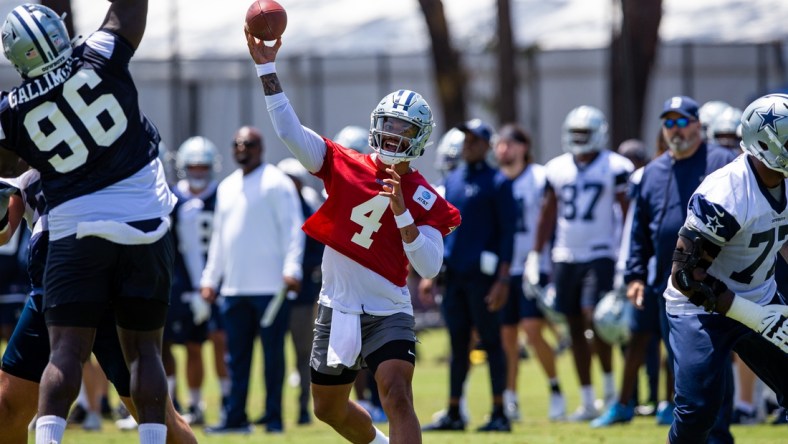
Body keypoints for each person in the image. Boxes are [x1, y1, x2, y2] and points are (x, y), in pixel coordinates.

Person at [247, 32, 462, 444]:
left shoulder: (424, 196)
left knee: (398, 395)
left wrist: (402, 212)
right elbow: (290, 132)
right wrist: (266, 68)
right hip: (337, 304)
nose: (394, 133)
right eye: (389, 124)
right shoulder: (344, 163)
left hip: (388, 307)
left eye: (404, 127)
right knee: (327, 408)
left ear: (419, 137)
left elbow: (430, 265)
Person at [0, 2, 177, 443]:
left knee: (66, 352)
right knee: (147, 354)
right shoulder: (99, 55)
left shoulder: (11, 112)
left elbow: (11, 160)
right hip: (143, 221)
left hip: (75, 231)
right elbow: (128, 11)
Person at [0, 169, 196, 444]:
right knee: (5, 409)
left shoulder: (106, 143)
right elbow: (5, 233)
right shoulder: (19, 151)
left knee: (160, 419)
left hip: (112, 281)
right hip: (52, 282)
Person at [591, 95, 738, 428]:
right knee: (681, 361)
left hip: (717, 278)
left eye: (682, 121)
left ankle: (720, 429)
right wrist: (635, 276)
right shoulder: (653, 172)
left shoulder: (722, 161)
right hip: (668, 283)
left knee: (716, 360)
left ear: (698, 125)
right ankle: (689, 425)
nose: (675, 129)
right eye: (669, 122)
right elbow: (641, 232)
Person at [662, 92, 788, 442]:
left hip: (761, 297)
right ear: (765, 141)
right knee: (699, 412)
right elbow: (686, 277)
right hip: (699, 309)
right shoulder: (726, 192)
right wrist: (755, 317)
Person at [526, 105, 634, 421]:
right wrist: (536, 254)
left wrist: (626, 258)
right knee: (573, 326)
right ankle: (588, 399)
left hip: (601, 254)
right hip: (565, 255)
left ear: (599, 134)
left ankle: (611, 390)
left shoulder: (616, 166)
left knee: (596, 321)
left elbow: (628, 214)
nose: (579, 139)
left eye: (584, 134)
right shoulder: (556, 168)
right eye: (575, 134)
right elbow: (548, 214)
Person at [200, 125, 304, 434]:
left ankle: (273, 419)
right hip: (234, 289)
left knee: (272, 358)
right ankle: (236, 419)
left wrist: (292, 269)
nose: (241, 149)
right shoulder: (226, 187)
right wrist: (210, 278)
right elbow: (219, 238)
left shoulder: (277, 183)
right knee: (237, 360)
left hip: (271, 289)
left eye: (249, 144)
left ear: (261, 148)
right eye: (237, 144)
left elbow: (294, 228)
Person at [420, 118, 516, 432]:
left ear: (487, 145)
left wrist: (503, 280)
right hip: (454, 276)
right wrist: (430, 274)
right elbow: (442, 230)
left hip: (484, 279)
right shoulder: (454, 179)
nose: (468, 145)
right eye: (465, 139)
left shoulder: (498, 182)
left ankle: (500, 412)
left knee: (491, 343)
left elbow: (507, 234)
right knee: (457, 344)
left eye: (474, 140)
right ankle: (454, 412)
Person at [492, 123, 566, 422]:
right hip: (505, 269)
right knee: (506, 338)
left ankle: (555, 388)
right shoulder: (495, 180)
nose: (503, 149)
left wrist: (543, 257)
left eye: (509, 143)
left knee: (533, 331)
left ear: (523, 147)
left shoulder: (539, 178)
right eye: (499, 143)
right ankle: (510, 398)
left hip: (536, 266)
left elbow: (552, 217)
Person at [162, 136, 228, 426]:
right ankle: (182, 404)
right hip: (183, 286)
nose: (199, 172)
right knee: (185, 345)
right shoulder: (174, 199)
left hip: (219, 285)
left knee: (220, 343)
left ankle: (224, 402)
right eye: (193, 166)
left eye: (203, 166)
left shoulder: (224, 195)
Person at [276, 157, 326, 426]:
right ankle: (274, 410)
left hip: (303, 294)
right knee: (273, 353)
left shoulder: (308, 209)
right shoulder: (271, 209)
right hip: (272, 291)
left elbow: (318, 251)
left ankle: (303, 409)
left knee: (303, 352)